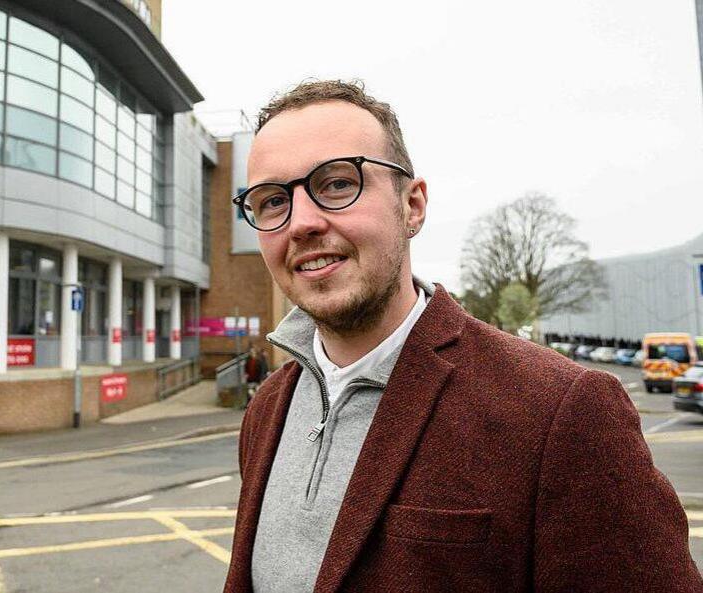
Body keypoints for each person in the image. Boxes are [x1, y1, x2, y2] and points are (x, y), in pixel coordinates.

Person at [223, 80, 702, 593]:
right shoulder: (268, 406)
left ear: (412, 205)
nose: (303, 223)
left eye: (338, 184)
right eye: (273, 201)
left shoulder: (562, 410)